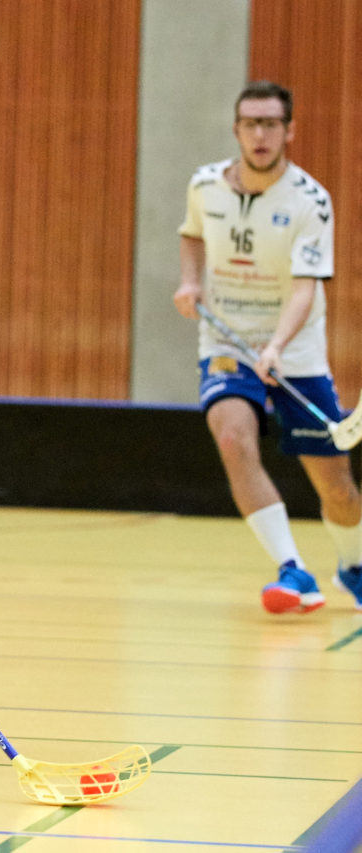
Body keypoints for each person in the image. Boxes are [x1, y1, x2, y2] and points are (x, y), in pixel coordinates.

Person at [173, 80, 362, 614]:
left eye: (271, 124)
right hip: (227, 340)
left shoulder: (311, 201)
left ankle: (353, 565)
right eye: (251, 123)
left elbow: (307, 289)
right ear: (236, 130)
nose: (260, 134)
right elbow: (191, 234)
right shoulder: (205, 185)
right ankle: (292, 571)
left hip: (295, 348)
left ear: (289, 131)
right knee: (232, 436)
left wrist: (277, 347)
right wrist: (191, 283)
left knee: (337, 487)